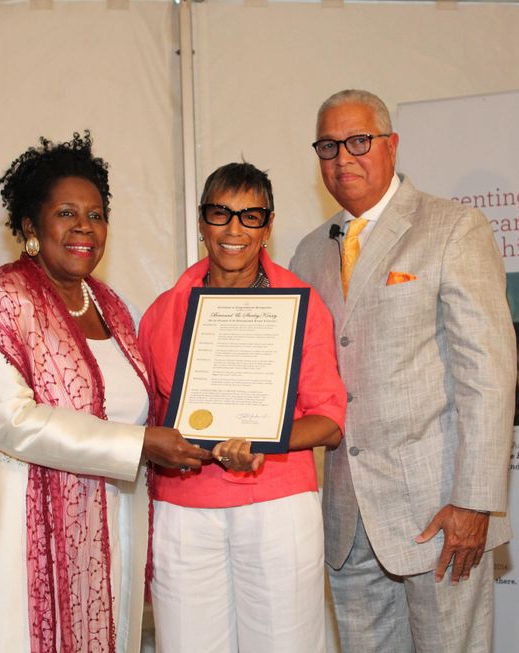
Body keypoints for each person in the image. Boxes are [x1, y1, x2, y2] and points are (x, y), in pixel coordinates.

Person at [0, 132, 209, 653]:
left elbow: (135, 407)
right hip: (9, 527)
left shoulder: (111, 306)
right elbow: (10, 420)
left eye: (96, 215)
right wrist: (140, 445)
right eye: (67, 213)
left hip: (100, 527)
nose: (84, 229)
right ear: (31, 225)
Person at [290, 90, 517, 653]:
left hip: (440, 510)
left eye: (358, 141)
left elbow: (488, 376)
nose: (343, 158)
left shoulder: (452, 229)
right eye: (328, 146)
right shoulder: (308, 253)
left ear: (391, 145)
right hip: (346, 515)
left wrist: (475, 501)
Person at [138, 162, 346, 653]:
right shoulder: (162, 312)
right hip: (185, 509)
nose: (234, 230)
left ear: (268, 225)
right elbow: (146, 419)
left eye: (250, 216)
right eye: (221, 214)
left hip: (276, 505)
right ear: (201, 221)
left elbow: (330, 421)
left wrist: (261, 439)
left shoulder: (300, 303)